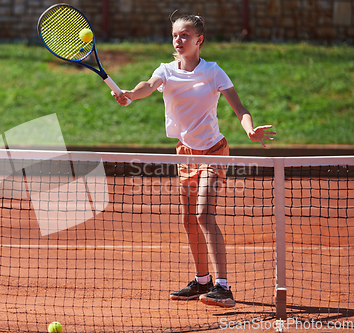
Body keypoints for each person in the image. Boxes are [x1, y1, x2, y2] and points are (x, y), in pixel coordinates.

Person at [112, 14, 276, 308]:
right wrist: (129, 95)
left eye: (185, 35)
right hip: (185, 154)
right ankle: (203, 281)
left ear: (199, 40)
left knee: (203, 215)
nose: (178, 40)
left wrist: (249, 128)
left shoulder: (213, 72)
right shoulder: (165, 71)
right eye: (175, 35)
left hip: (213, 151)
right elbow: (146, 86)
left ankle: (224, 288)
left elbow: (239, 107)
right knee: (189, 221)